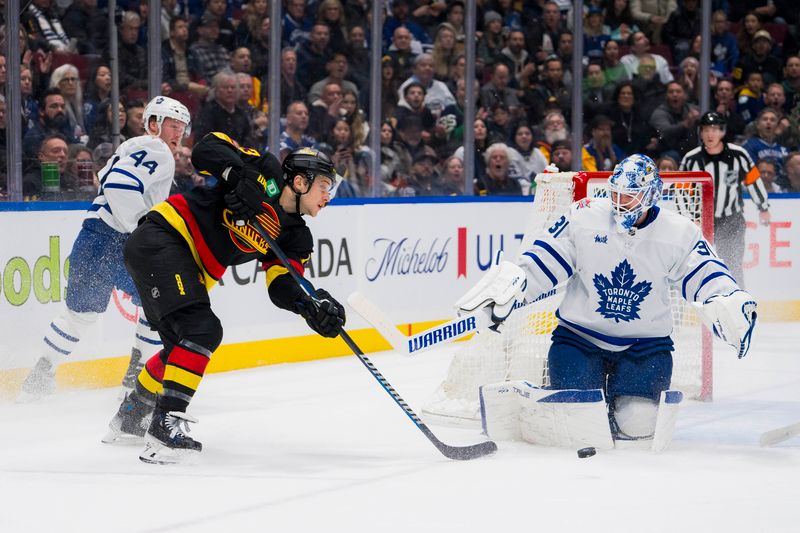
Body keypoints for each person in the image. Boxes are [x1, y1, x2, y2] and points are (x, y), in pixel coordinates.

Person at [457, 154, 758, 446]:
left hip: (645, 347)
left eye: (629, 196)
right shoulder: (585, 215)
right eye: (616, 193)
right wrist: (516, 285)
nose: (619, 202)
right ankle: (549, 398)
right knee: (576, 425)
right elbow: (546, 257)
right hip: (580, 340)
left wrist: (726, 298)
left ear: (651, 195)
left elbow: (705, 272)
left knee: (638, 427)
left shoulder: (678, 232)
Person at [103, 138, 346, 464]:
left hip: (183, 263)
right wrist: (236, 175)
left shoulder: (296, 237)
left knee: (183, 346)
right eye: (324, 186)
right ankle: (165, 425)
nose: (327, 197)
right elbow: (206, 148)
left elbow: (283, 285)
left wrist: (310, 304)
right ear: (300, 181)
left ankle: (132, 414)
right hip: (165, 235)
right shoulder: (266, 170)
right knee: (201, 330)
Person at [18, 96, 191, 402]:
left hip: (95, 235)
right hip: (122, 240)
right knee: (160, 306)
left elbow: (103, 179)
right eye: (173, 126)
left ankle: (39, 378)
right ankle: (137, 382)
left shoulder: (130, 146)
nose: (178, 134)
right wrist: (146, 234)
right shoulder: (158, 150)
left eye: (182, 128)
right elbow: (121, 187)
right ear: (154, 124)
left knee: (79, 315)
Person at [679, 112, 771, 286]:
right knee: (701, 266)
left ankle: (738, 305)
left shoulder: (738, 155)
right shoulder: (691, 159)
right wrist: (692, 217)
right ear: (700, 132)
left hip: (732, 220)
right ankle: (705, 305)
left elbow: (753, 181)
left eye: (714, 129)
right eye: (706, 130)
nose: (710, 134)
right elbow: (683, 193)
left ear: (722, 132)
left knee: (733, 264)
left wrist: (763, 207)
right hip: (702, 222)